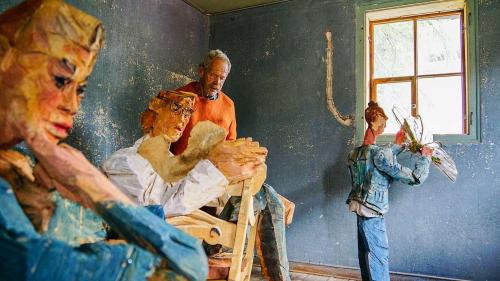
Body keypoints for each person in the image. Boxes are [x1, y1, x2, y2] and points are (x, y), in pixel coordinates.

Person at [0, 0, 207, 280]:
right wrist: (89, 182)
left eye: (81, 89)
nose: (72, 105)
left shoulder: (30, 164)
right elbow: (188, 264)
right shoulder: (125, 161)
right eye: (60, 81)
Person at [102, 90, 267, 217]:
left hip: (184, 234)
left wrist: (233, 172)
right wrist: (216, 166)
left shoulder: (175, 163)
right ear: (156, 111)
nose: (183, 119)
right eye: (176, 109)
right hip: (139, 244)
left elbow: (205, 196)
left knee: (263, 194)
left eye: (187, 113)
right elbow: (156, 213)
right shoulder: (126, 160)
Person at [346, 101, 433, 281]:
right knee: (378, 257)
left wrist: (397, 146)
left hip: (359, 208)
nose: (385, 127)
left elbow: (375, 158)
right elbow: (415, 178)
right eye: (383, 123)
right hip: (373, 212)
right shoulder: (380, 154)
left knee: (366, 257)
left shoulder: (354, 154)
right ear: (375, 123)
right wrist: (425, 158)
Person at [171, 49, 236, 155]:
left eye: (222, 78)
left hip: (211, 169)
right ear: (201, 71)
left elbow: (231, 145)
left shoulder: (228, 105)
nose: (217, 83)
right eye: (212, 75)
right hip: (178, 167)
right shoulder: (180, 97)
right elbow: (162, 139)